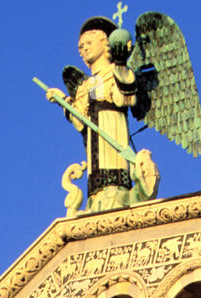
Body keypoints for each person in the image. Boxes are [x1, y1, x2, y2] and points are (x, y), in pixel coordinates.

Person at [45, 17, 138, 212]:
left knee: (114, 173)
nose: (83, 49)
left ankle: (116, 192)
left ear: (105, 45)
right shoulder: (85, 85)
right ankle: (97, 197)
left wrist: (121, 65)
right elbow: (80, 122)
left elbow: (124, 99)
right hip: (94, 140)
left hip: (113, 127)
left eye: (88, 43)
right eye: (80, 46)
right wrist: (63, 101)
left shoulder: (115, 72)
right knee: (98, 176)